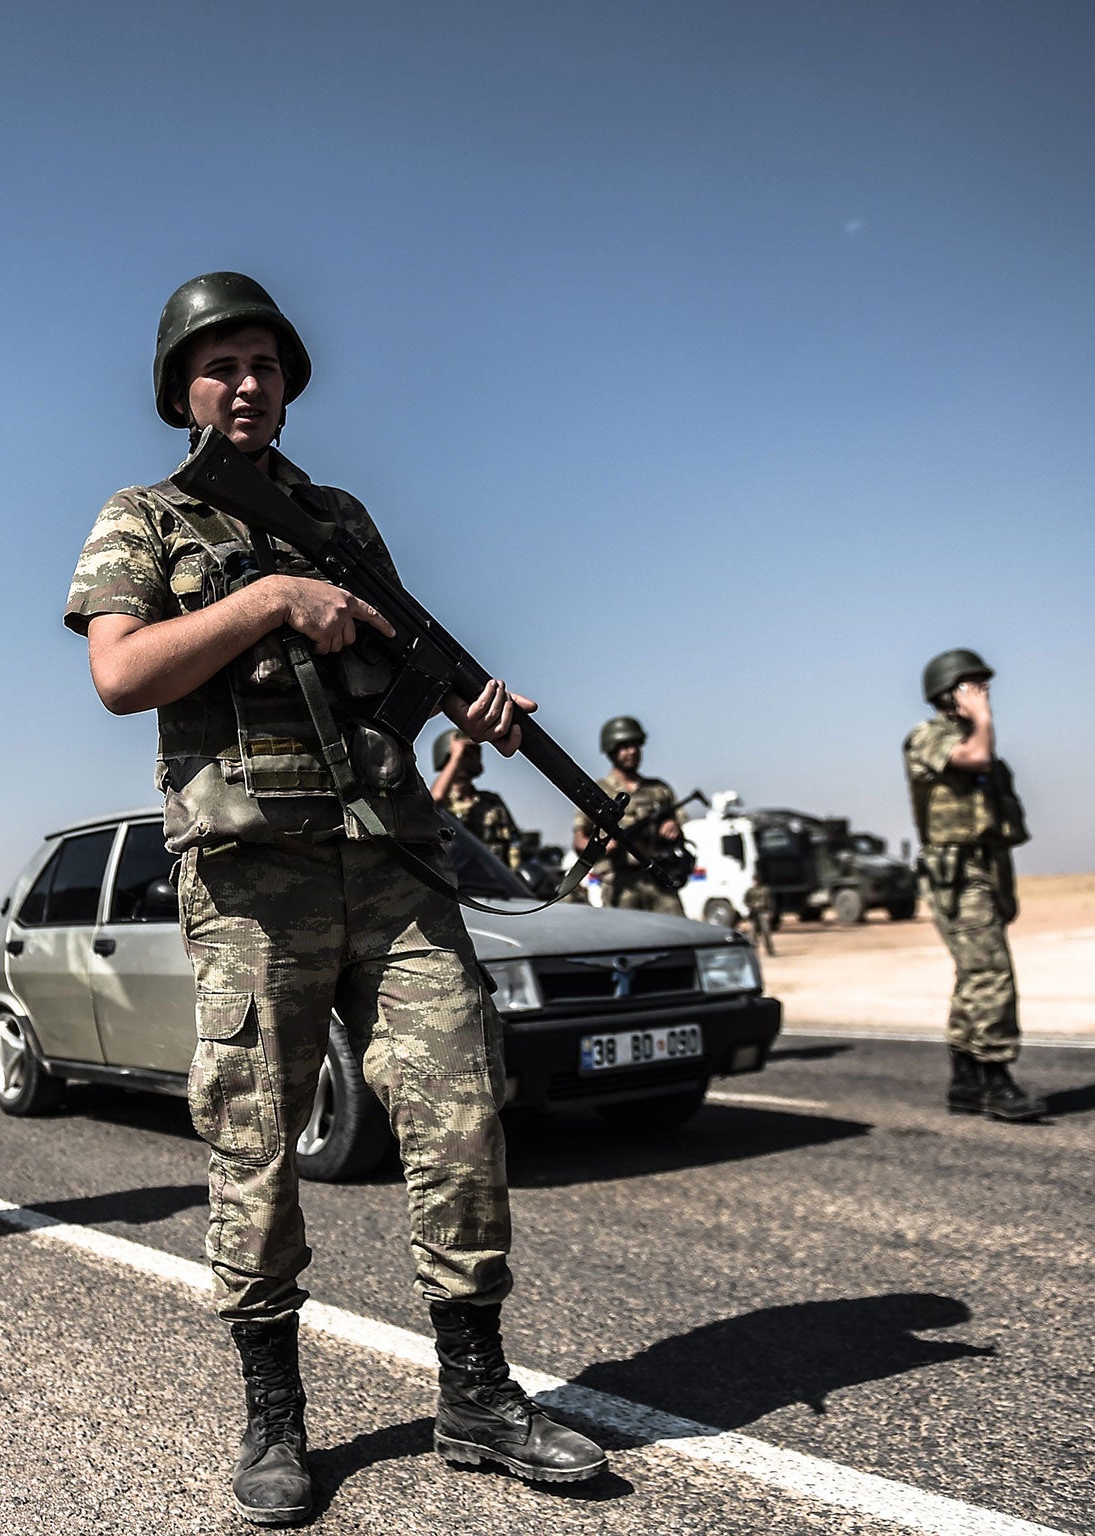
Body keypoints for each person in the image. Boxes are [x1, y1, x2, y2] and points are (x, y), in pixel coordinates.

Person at [67, 273, 607, 1527]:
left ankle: (474, 1393)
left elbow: (386, 667)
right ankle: (273, 1418)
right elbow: (119, 673)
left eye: (261, 361)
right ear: (179, 390)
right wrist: (261, 599)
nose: (243, 383)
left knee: (458, 1117)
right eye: (217, 366)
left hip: (396, 864)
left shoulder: (338, 515)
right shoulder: (144, 516)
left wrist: (458, 704)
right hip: (256, 881)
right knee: (254, 1140)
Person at [904, 649, 1046, 1122]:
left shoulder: (982, 746)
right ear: (945, 693)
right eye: (971, 687)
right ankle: (997, 1079)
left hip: (988, 869)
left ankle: (965, 1082)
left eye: (984, 687)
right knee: (991, 974)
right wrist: (983, 718)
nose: (982, 695)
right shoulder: (928, 738)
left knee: (974, 974)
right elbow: (976, 755)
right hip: (957, 876)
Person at [567, 716, 685, 914]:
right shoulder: (597, 792)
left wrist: (672, 826)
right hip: (620, 884)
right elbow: (579, 839)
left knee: (679, 936)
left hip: (658, 877)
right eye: (624, 746)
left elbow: (679, 822)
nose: (632, 751)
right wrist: (603, 847)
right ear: (611, 750)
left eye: (635, 745)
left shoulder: (658, 789)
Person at [429, 728, 524, 871]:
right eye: (469, 752)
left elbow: (515, 844)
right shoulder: (444, 805)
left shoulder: (491, 801)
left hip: (499, 886)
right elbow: (435, 800)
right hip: (461, 887)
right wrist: (456, 756)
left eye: (477, 751)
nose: (477, 757)